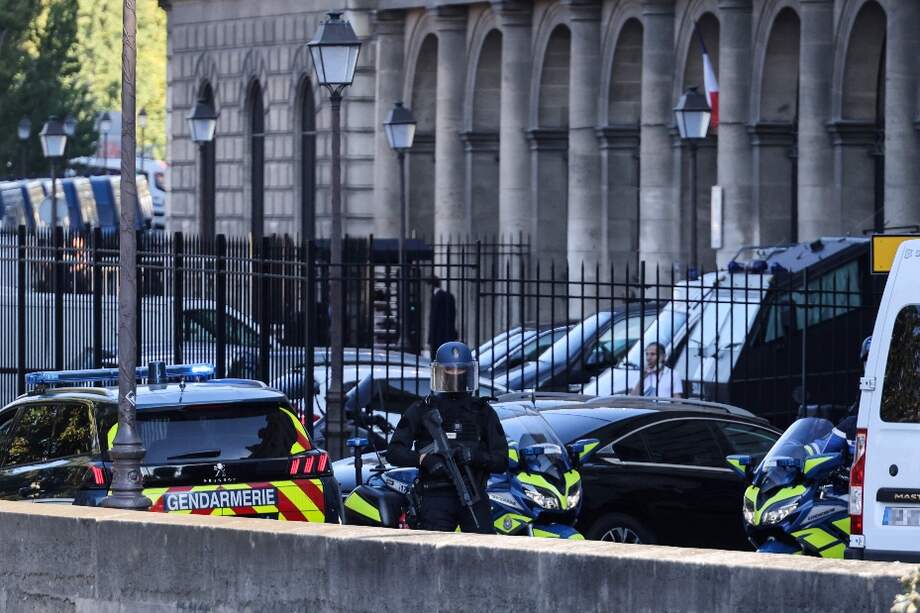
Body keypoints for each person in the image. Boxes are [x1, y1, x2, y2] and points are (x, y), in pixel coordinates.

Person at [387, 341, 508, 533]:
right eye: (449, 373)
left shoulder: (483, 412)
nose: (455, 379)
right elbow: (394, 452)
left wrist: (475, 457)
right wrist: (423, 459)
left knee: (483, 553)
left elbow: (502, 460)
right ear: (439, 373)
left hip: (473, 495)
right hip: (435, 496)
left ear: (468, 374)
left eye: (460, 373)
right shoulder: (422, 410)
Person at [427, 276, 458, 355]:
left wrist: (430, 337)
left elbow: (433, 319)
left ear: (431, 286)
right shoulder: (449, 296)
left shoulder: (435, 297)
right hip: (448, 334)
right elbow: (453, 316)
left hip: (437, 335)